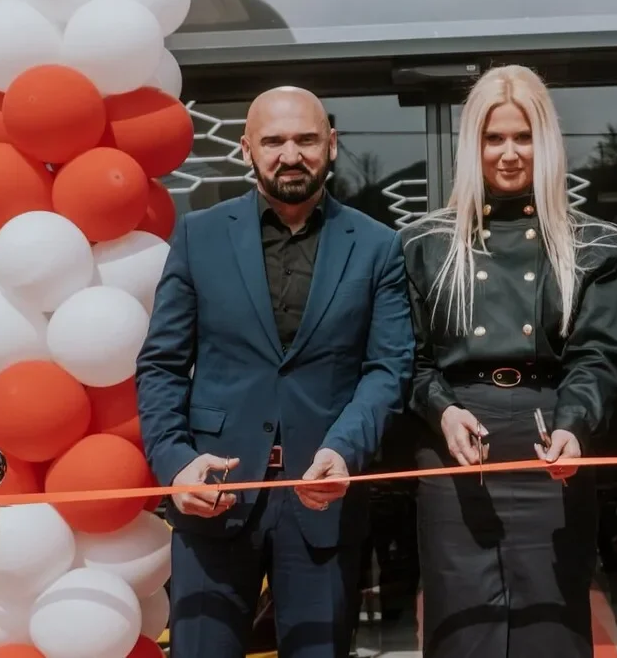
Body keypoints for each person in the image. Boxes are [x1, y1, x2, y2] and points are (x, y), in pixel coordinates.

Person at [135, 86, 415, 658]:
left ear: (331, 145)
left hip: (323, 496)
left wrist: (345, 448)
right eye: (274, 141)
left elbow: (388, 369)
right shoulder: (198, 235)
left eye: (306, 139)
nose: (291, 155)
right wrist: (176, 464)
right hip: (213, 493)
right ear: (247, 149)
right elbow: (162, 364)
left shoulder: (379, 246)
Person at [400, 64, 617, 657]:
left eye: (523, 137)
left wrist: (574, 426)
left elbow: (598, 357)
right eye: (493, 138)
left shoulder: (594, 245)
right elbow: (412, 360)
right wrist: (442, 411)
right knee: (462, 628)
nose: (509, 153)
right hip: (455, 446)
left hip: (551, 441)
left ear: (546, 141)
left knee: (549, 626)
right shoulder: (424, 244)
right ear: (471, 145)